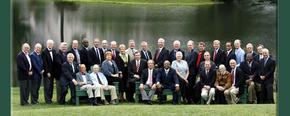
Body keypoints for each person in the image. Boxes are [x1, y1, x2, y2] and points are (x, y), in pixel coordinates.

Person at [41, 39, 57, 104]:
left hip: (53, 72)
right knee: (47, 86)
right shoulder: (44, 51)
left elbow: (55, 61)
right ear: (47, 44)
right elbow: (44, 63)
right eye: (49, 44)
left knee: (51, 86)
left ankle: (50, 98)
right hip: (47, 72)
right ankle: (47, 100)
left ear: (52, 45)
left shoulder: (54, 51)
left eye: (51, 44)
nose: (50, 45)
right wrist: (47, 72)